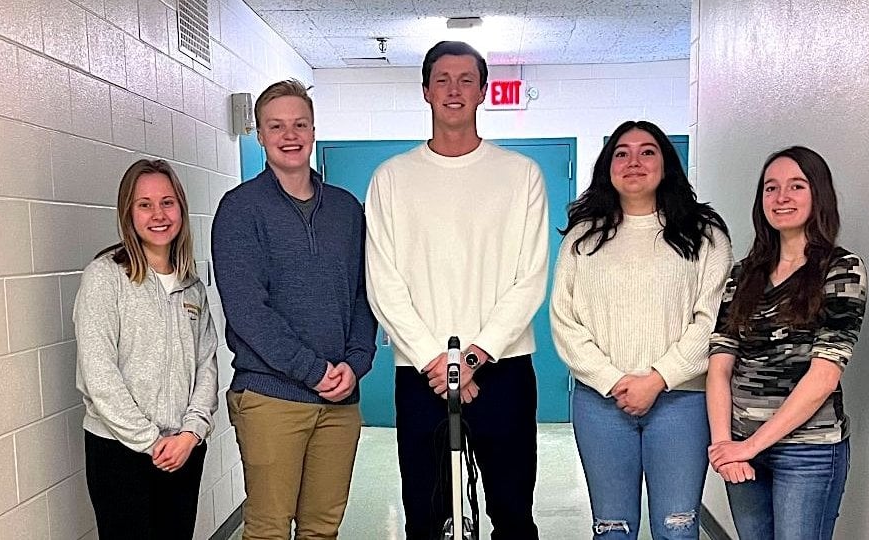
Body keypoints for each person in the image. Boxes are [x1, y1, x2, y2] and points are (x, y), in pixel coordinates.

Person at [364, 41, 549, 539]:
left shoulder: (520, 175)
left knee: (512, 513)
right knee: (425, 518)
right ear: (425, 90)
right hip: (420, 372)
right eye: (442, 79)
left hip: (503, 369)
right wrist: (439, 361)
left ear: (483, 91)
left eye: (466, 79)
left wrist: (473, 358)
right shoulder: (392, 180)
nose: (453, 90)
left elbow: (528, 278)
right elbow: (384, 284)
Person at [212, 79, 377, 540]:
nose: (290, 135)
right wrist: (312, 369)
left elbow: (365, 294)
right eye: (276, 126)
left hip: (340, 399)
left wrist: (356, 362)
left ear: (313, 130)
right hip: (271, 398)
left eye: (299, 124)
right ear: (260, 135)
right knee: (268, 529)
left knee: (322, 529)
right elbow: (247, 310)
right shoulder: (240, 210)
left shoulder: (346, 210)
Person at [551, 120, 732, 539]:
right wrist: (613, 380)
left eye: (647, 151)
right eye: (621, 152)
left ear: (666, 164)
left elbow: (712, 320)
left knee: (677, 528)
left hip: (681, 402)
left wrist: (657, 379)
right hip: (600, 404)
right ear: (607, 166)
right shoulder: (583, 236)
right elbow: (564, 319)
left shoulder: (704, 235)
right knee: (612, 529)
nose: (634, 161)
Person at [706, 146, 868, 540]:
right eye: (771, 188)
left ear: (819, 195)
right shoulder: (744, 274)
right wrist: (725, 444)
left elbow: (824, 377)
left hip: (808, 452)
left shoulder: (842, 269)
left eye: (796, 186)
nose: (781, 198)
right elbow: (720, 365)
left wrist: (750, 446)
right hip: (741, 446)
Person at [75, 158, 218, 539]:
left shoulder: (192, 286)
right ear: (128, 213)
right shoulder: (105, 277)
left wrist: (192, 433)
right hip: (120, 452)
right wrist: (151, 442)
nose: (158, 214)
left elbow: (207, 365)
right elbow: (99, 373)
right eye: (145, 204)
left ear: (181, 210)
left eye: (167, 202)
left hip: (183, 451)